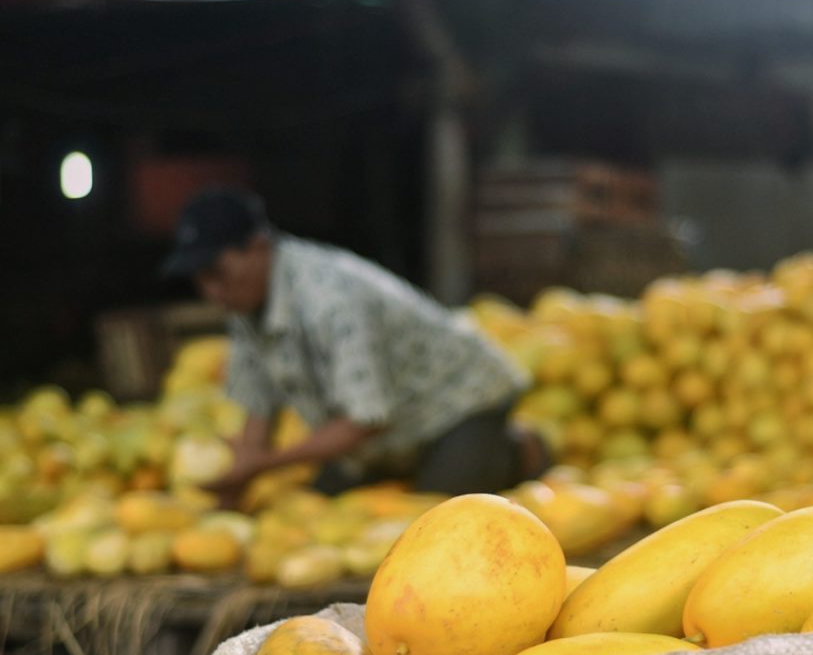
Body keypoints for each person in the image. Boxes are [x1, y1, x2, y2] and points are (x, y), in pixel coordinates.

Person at [162, 188, 548, 505]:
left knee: (434, 516)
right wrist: (234, 492)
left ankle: (520, 452)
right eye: (201, 280)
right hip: (390, 429)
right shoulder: (243, 306)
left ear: (259, 248)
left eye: (218, 274)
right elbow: (259, 406)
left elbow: (365, 419)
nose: (212, 292)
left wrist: (264, 464)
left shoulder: (331, 298)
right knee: (321, 506)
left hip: (462, 402)